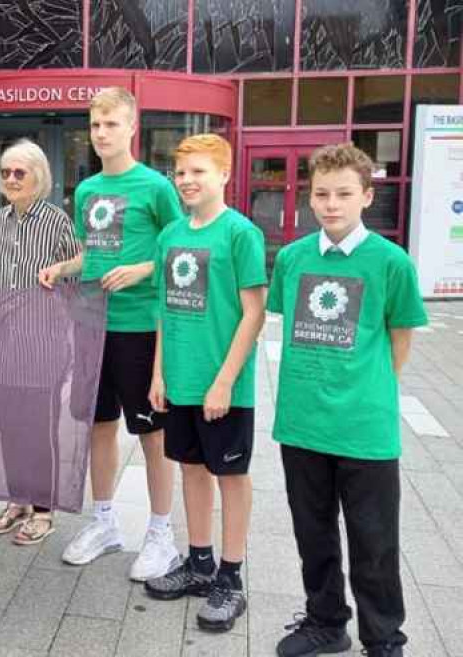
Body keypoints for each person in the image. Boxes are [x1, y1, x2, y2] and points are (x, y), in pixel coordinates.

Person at [269, 143, 426, 657]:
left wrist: (370, 388)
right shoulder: (292, 259)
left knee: (374, 544)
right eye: (321, 193)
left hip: (364, 429)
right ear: (309, 197)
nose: (330, 203)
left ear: (366, 195)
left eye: (343, 194)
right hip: (301, 422)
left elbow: (400, 336)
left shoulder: (391, 262)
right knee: (313, 534)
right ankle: (326, 621)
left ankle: (383, 638)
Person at [39, 86, 184, 577]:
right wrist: (63, 267)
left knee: (150, 432)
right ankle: (104, 522)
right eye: (95, 125)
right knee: (98, 425)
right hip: (92, 323)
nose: (101, 133)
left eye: (111, 124)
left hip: (140, 325)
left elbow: (182, 251)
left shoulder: (157, 188)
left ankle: (162, 533)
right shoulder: (86, 190)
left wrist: (144, 269)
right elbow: (93, 253)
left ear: (131, 127)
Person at [144, 134, 266, 633]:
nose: (188, 181)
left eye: (198, 172)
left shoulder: (240, 233)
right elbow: (163, 308)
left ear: (224, 175)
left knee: (230, 477)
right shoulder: (170, 234)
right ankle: (198, 563)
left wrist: (225, 381)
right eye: (181, 173)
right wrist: (158, 372)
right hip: (181, 379)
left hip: (223, 385)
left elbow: (254, 312)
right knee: (192, 469)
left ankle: (231, 577)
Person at [0, 138, 79, 546]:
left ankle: (43, 509)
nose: (11, 179)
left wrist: (60, 269)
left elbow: (80, 267)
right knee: (9, 427)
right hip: (2, 341)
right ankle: (17, 497)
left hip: (43, 342)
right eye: (5, 172)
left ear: (39, 176)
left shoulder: (57, 220)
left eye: (20, 172)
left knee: (40, 428)